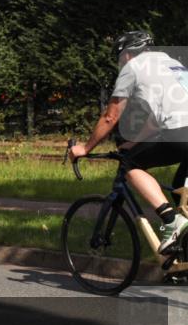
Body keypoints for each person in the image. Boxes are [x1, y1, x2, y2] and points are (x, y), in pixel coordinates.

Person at [69, 31, 188, 254]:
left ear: (126, 55)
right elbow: (156, 118)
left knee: (131, 165)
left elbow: (110, 117)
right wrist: (134, 142)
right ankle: (181, 266)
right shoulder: (171, 63)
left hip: (181, 132)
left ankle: (170, 221)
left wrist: (85, 148)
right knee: (180, 192)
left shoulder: (132, 68)